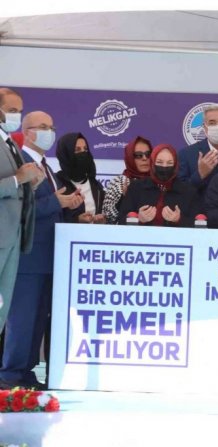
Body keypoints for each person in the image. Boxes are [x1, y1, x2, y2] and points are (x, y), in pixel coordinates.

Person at [0, 111, 82, 390]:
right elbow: (20, 206)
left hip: (49, 256)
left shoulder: (48, 168)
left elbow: (50, 205)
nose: (50, 132)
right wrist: (57, 203)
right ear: (28, 131)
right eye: (43, 127)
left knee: (37, 320)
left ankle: (26, 371)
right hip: (28, 256)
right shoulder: (19, 162)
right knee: (22, 319)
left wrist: (69, 207)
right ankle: (10, 374)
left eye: (52, 126)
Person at [0, 88, 40, 332]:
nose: (17, 115)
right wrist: (17, 179)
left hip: (13, 236)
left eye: (20, 111)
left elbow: (17, 187)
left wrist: (30, 185)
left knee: (2, 308)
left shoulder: (10, 142)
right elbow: (13, 181)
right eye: (12, 110)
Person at [119, 144, 200, 227]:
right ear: (152, 163)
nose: (164, 166)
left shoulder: (188, 191)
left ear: (175, 165)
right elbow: (120, 220)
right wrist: (139, 219)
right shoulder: (136, 188)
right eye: (159, 162)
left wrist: (179, 219)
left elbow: (199, 224)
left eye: (169, 163)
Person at [178, 103, 218, 196]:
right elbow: (180, 193)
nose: (217, 127)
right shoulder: (186, 155)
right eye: (212, 123)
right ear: (204, 127)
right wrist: (200, 174)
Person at [55, 132, 106, 224]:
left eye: (85, 149)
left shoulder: (96, 185)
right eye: (77, 150)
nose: (83, 153)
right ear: (66, 153)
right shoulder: (56, 182)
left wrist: (101, 221)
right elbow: (50, 218)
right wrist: (76, 220)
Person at [102, 136, 153, 224]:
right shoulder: (119, 182)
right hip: (124, 231)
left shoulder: (157, 182)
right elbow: (107, 217)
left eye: (148, 154)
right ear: (130, 157)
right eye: (138, 155)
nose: (144, 158)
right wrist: (124, 198)